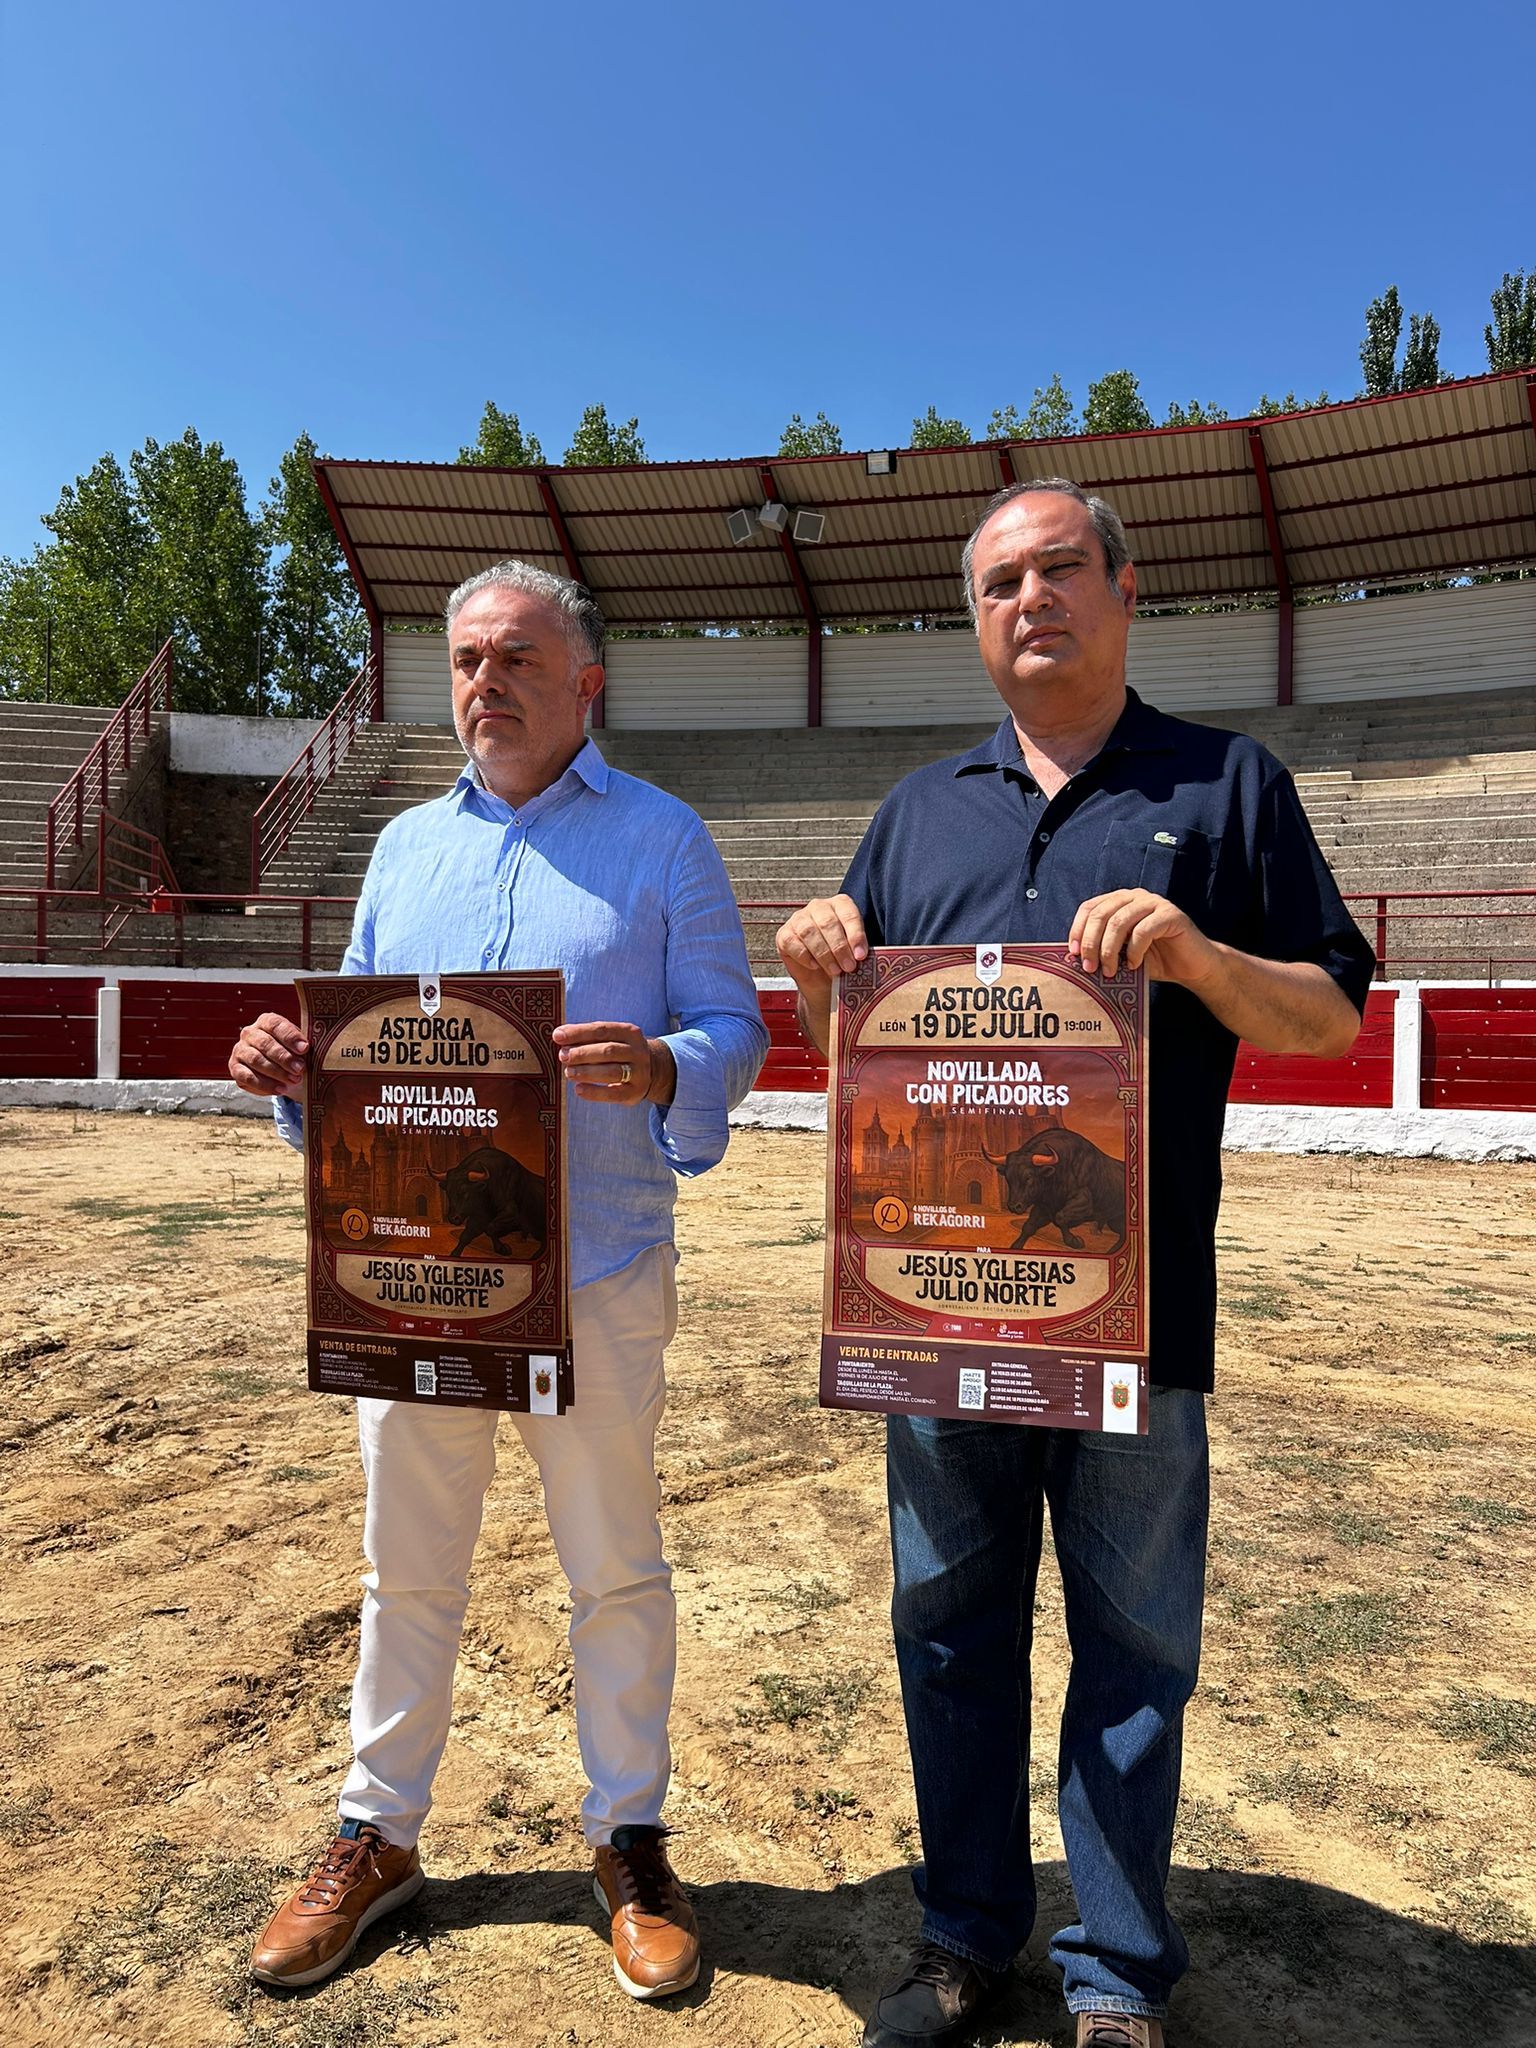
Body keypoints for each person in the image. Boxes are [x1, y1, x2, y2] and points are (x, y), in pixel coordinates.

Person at [776, 479, 1373, 2048]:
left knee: (1132, 1649)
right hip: (937, 1314)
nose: (1027, 599)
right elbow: (861, 1065)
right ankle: (966, 1936)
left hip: (1138, 1317)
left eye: (1057, 569)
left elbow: (1330, 1014)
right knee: (950, 1631)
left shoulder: (1227, 783)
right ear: (973, 623)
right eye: (995, 584)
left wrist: (1193, 953)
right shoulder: (916, 813)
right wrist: (811, 979)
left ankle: (1114, 1973)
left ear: (1123, 585)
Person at [230, 560, 767, 2001]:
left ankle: (630, 1841)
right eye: (468, 660)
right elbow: (344, 1038)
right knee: (405, 1571)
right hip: (410, 1282)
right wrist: (292, 1067)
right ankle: (378, 1835)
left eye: (518, 659)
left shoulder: (666, 840)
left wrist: (668, 1065)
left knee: (613, 1571)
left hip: (595, 1270)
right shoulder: (402, 846)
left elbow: (734, 1023)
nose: (486, 684)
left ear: (585, 683)